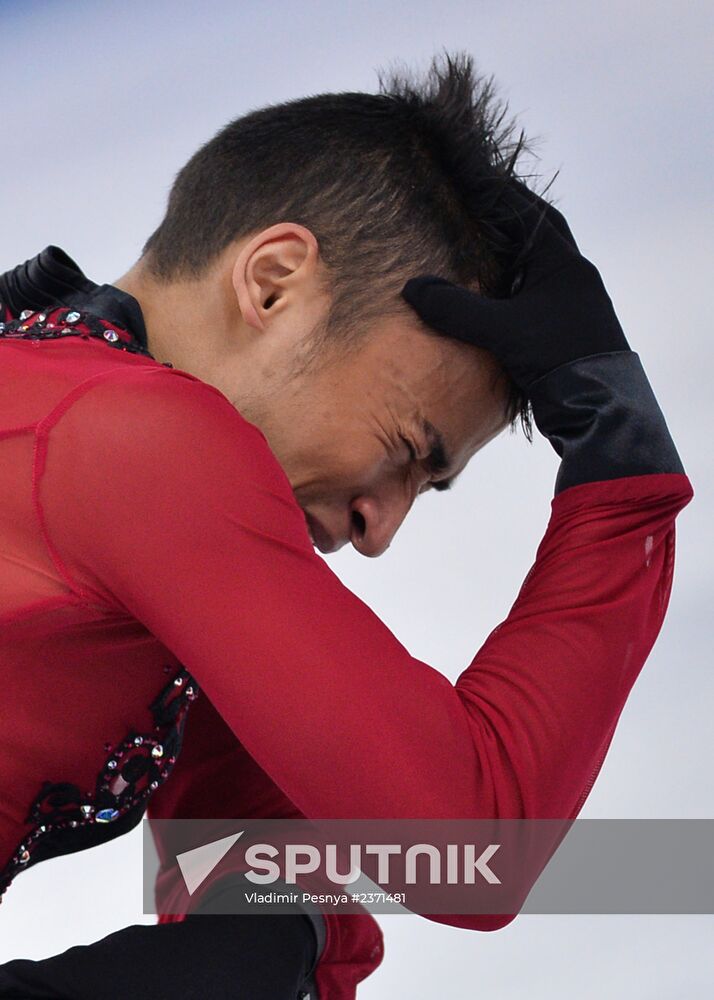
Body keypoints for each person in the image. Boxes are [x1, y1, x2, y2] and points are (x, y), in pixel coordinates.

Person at [0, 52, 692, 999]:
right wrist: (624, 472)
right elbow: (472, 842)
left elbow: (271, 877)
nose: (378, 531)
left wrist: (285, 943)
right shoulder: (133, 442)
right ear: (275, 282)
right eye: (409, 448)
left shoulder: (65, 413)